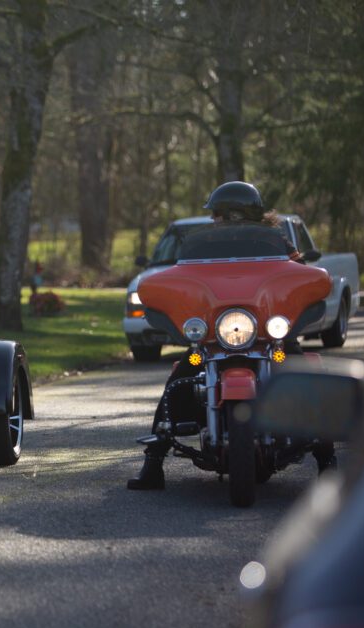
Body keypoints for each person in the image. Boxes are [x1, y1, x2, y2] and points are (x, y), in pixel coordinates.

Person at [127, 180, 305, 491]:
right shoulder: (201, 245)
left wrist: (301, 279)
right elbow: (185, 275)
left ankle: (326, 455)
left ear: (237, 215)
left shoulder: (276, 243)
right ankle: (153, 462)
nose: (214, 220)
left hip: (269, 338)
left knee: (303, 370)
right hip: (212, 340)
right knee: (181, 375)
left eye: (219, 214)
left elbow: (297, 272)